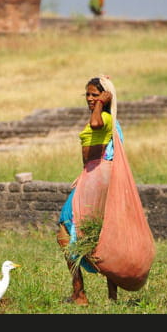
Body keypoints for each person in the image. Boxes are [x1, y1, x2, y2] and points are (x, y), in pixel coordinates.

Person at [57, 76, 124, 306]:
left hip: (95, 183)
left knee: (64, 229)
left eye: (95, 94)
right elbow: (97, 153)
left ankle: (79, 294)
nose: (89, 98)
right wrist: (85, 172)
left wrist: (100, 105)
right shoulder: (106, 118)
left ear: (105, 97)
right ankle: (110, 297)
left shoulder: (103, 117)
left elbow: (95, 125)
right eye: (87, 94)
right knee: (99, 235)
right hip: (92, 179)